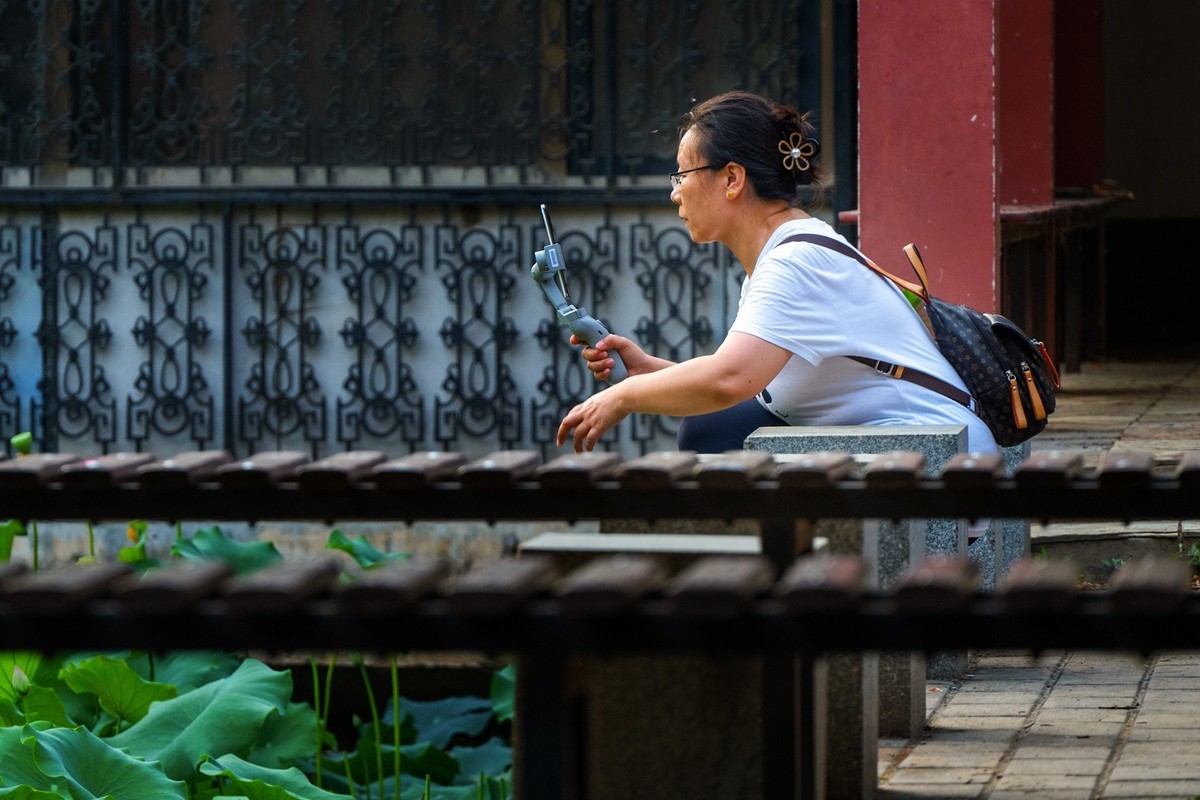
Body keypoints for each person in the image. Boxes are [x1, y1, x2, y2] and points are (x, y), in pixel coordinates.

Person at [556, 90, 996, 457]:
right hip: (907, 451)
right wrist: (646, 373)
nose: (675, 194)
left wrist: (619, 397)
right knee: (716, 428)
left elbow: (729, 380)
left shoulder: (795, 263)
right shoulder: (788, 251)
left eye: (681, 174)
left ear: (731, 179)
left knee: (717, 429)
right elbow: (752, 386)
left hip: (941, 461)